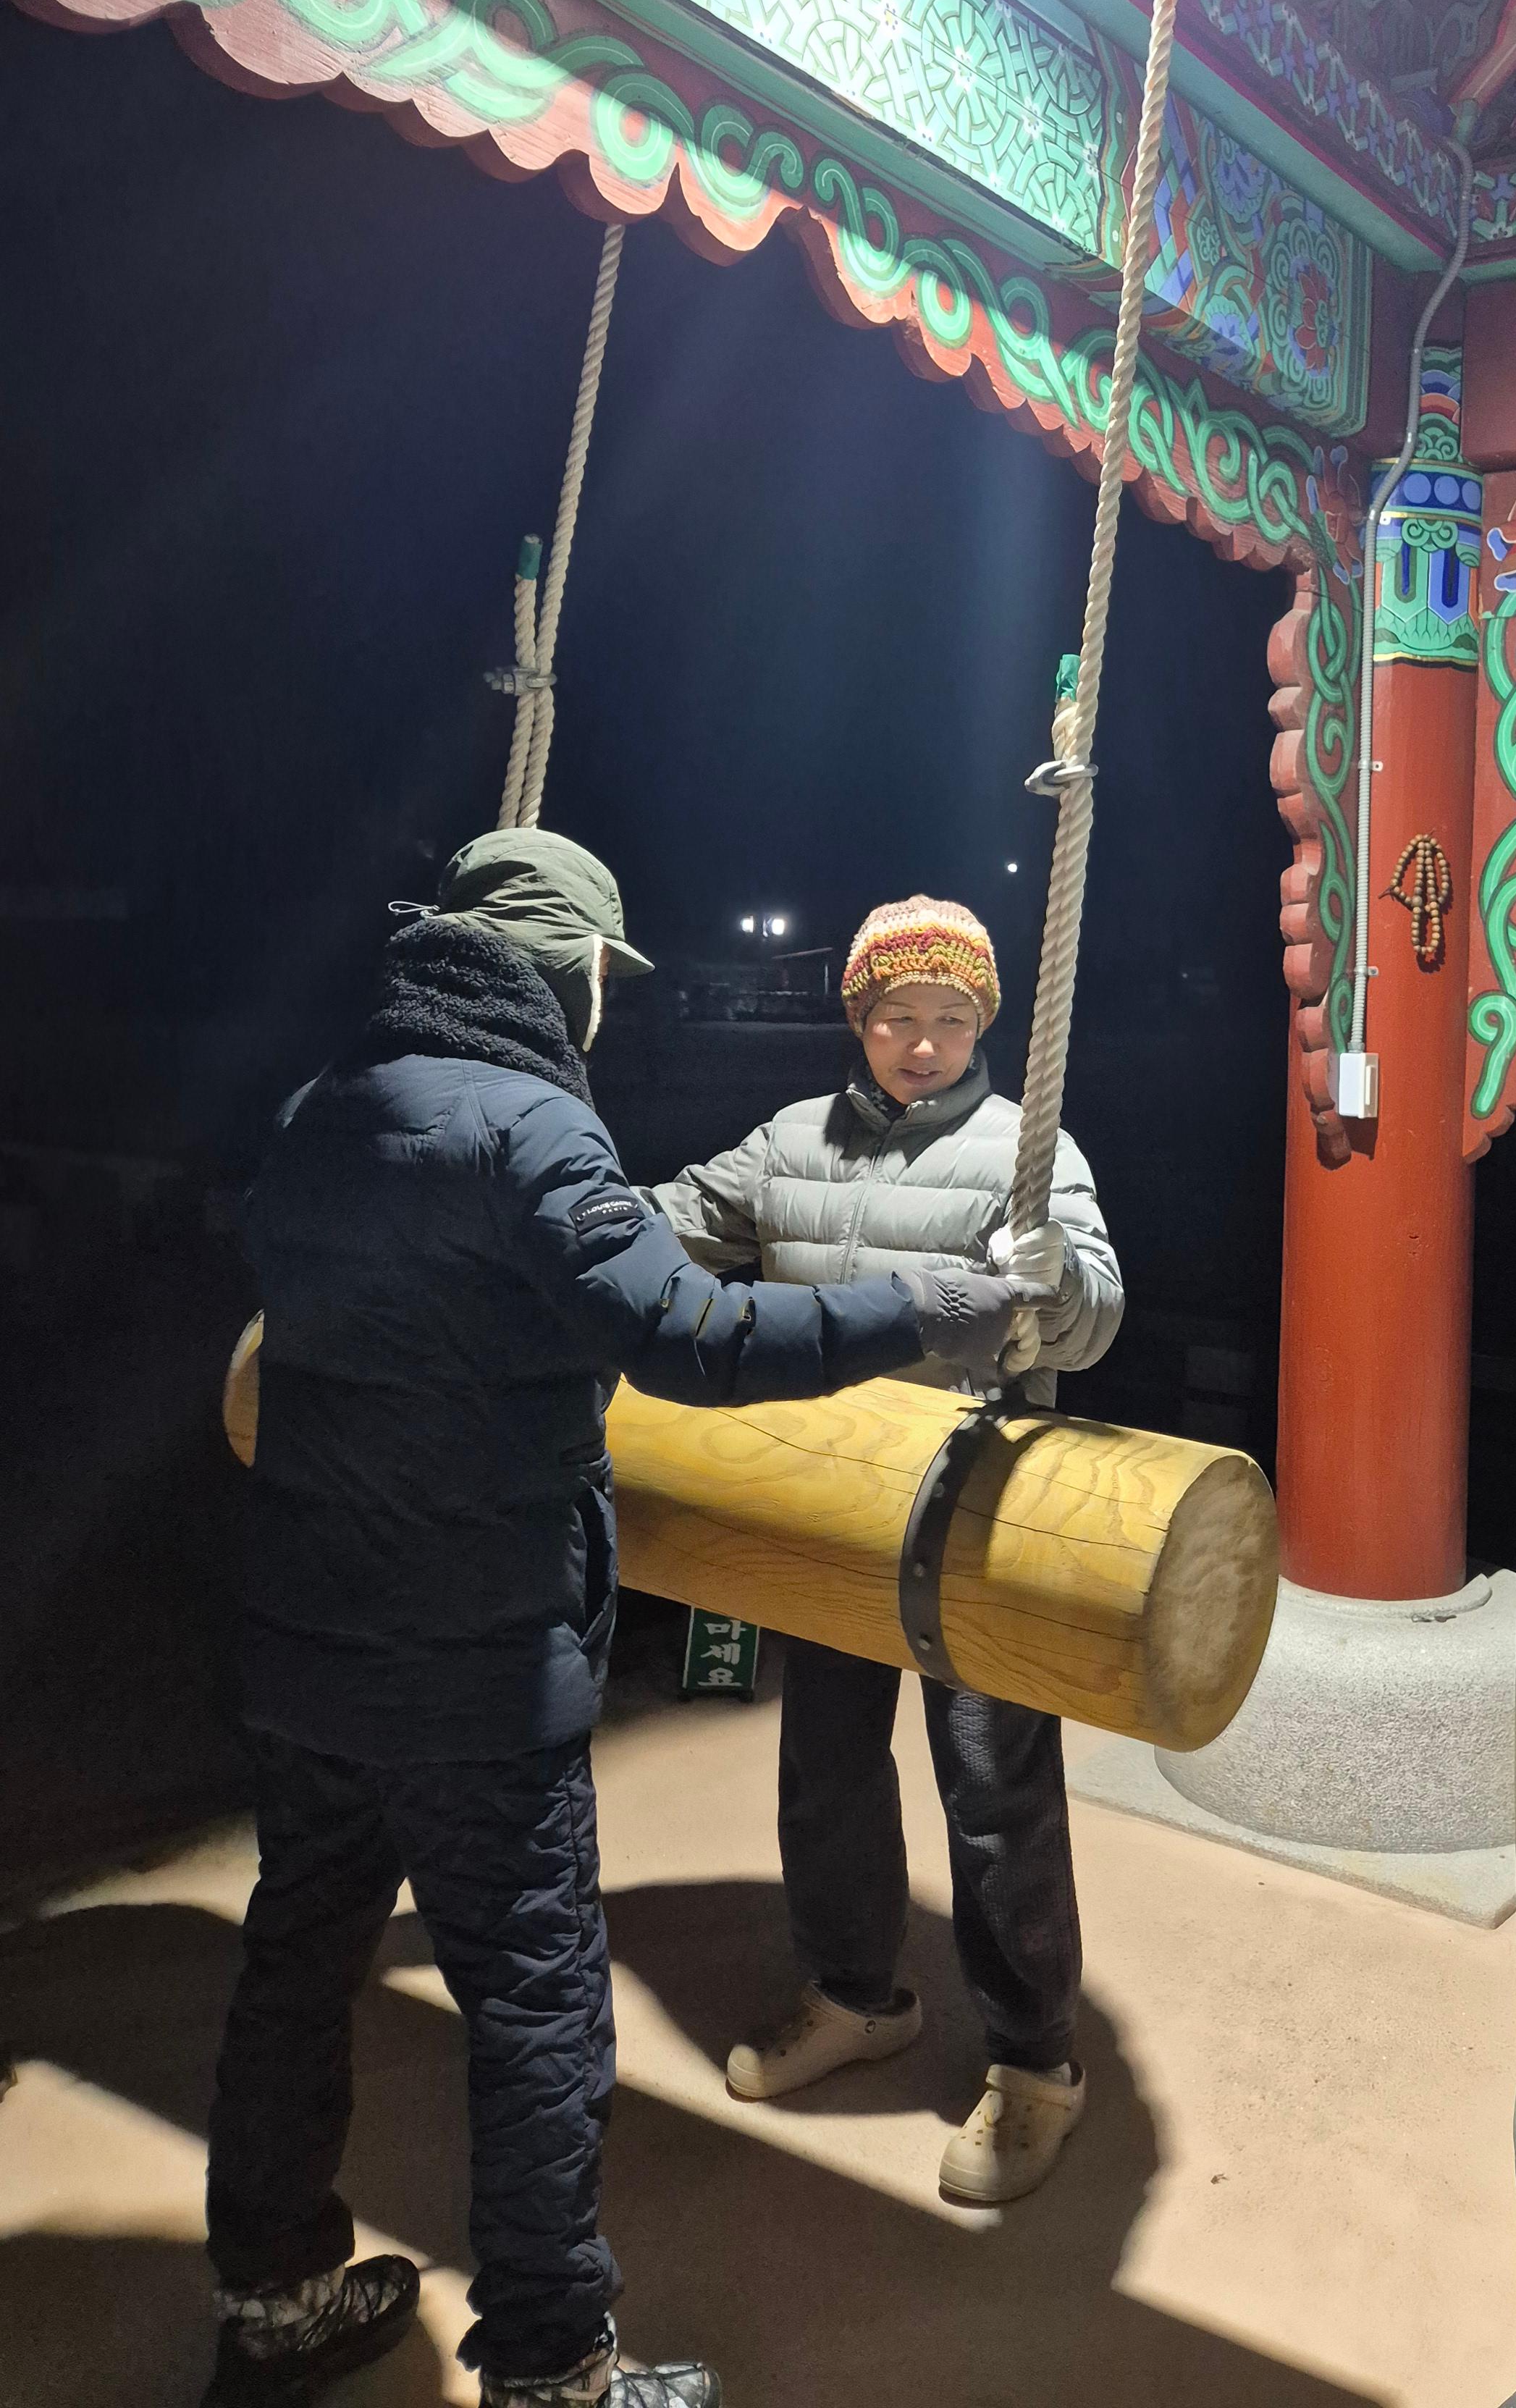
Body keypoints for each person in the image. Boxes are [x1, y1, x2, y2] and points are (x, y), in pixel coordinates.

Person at [203, 834, 1043, 2408]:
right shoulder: (534, 1127)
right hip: (478, 1664)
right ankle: (553, 2366)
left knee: (296, 1966)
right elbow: (694, 1336)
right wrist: (923, 1308)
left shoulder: (319, 1109)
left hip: (305, 1645)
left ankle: (275, 2294)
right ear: (569, 970)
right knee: (535, 2012)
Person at [649, 894, 1123, 2207]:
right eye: (897, 1017)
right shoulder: (788, 1141)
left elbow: (1095, 1318)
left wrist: (1058, 1280)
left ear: (984, 1023)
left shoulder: (1025, 1150)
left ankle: (1036, 2063)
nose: (923, 1045)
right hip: (829, 1504)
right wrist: (548, 1202)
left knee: (995, 1789)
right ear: (857, 1019)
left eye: (951, 1019)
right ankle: (857, 1993)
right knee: (827, 1767)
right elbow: (668, 1221)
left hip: (972, 1509)